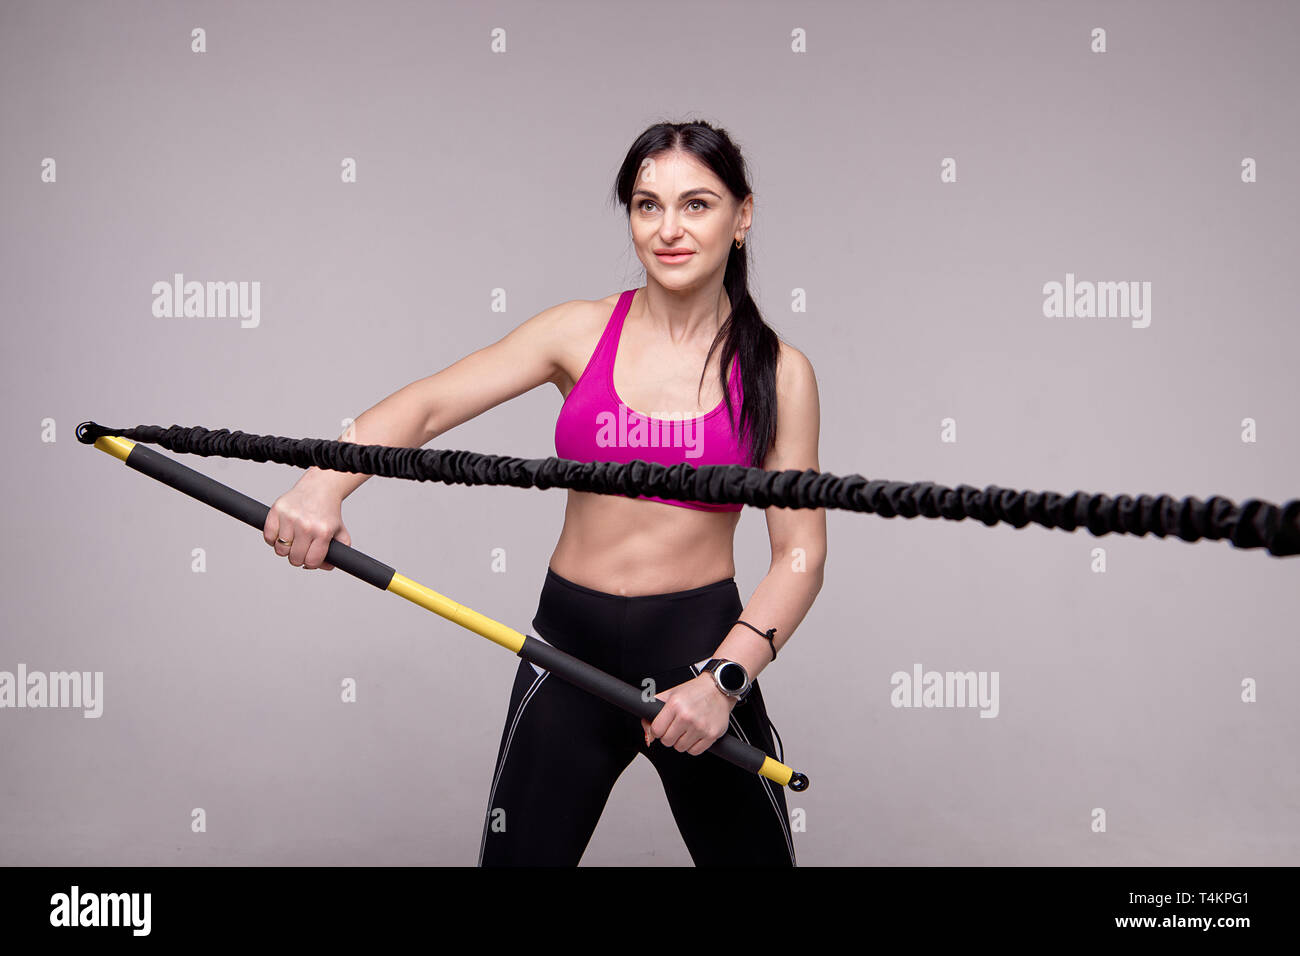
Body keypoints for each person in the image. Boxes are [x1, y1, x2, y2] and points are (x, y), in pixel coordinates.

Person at [262, 120, 826, 866]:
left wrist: (725, 680)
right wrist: (321, 486)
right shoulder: (578, 332)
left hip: (702, 656)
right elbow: (428, 405)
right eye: (646, 205)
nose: (669, 229)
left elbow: (800, 554)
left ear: (741, 215)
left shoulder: (780, 372)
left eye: (697, 205)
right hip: (568, 654)